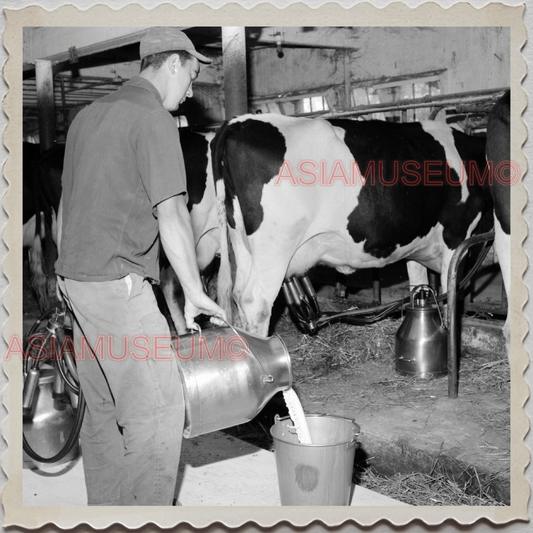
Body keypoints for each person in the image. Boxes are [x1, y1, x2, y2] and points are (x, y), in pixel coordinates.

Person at [55, 27, 226, 506]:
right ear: (171, 64)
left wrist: (62, 278)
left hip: (78, 284)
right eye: (191, 75)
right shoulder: (153, 119)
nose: (191, 91)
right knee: (159, 408)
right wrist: (193, 293)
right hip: (116, 287)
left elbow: (67, 205)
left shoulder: (87, 116)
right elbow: (170, 213)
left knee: (103, 410)